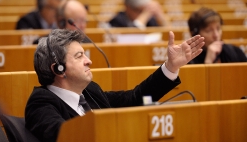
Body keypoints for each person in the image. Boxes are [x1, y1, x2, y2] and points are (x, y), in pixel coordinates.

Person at [25, 28, 204, 142]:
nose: (89, 61)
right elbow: (65, 136)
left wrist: (171, 67)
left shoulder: (89, 92)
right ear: (58, 68)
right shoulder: (41, 103)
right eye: (79, 57)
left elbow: (133, 99)